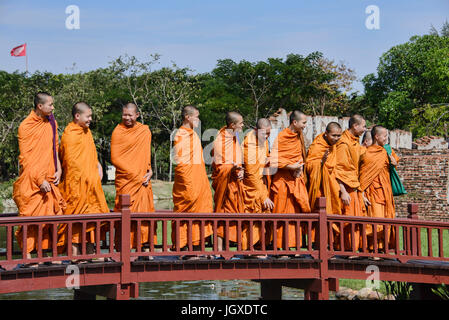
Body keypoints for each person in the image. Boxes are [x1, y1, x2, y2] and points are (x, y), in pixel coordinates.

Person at [13, 92, 66, 267]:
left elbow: (54, 148)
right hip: (31, 180)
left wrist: (58, 169)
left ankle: (48, 255)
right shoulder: (25, 126)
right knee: (30, 219)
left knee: (51, 218)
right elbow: (25, 158)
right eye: (50, 105)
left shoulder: (52, 122)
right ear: (39, 106)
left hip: (50, 178)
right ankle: (28, 257)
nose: (53, 108)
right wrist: (39, 179)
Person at [57, 102, 110, 261]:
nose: (90, 119)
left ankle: (91, 252)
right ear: (77, 116)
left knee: (93, 218)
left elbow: (90, 155)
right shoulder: (70, 134)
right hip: (76, 186)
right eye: (88, 116)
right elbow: (71, 163)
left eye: (91, 116)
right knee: (75, 218)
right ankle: (75, 255)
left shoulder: (87, 133)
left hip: (91, 186)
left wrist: (97, 165)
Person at [111, 103, 156, 257]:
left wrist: (150, 170)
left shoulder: (144, 131)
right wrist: (135, 176)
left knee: (144, 214)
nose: (127, 118)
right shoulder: (118, 131)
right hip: (127, 181)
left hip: (143, 181)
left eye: (130, 115)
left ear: (137, 115)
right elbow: (115, 158)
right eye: (124, 114)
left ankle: (144, 248)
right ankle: (126, 250)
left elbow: (145, 155)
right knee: (127, 216)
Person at [172, 106, 213, 259]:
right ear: (188, 117)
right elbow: (181, 163)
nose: (198, 120)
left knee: (200, 212)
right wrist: (189, 185)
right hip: (189, 183)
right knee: (188, 212)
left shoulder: (193, 135)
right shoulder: (181, 135)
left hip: (198, 181)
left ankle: (197, 248)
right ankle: (185, 250)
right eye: (196, 117)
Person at [269, 110, 311, 256]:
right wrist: (290, 166)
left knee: (296, 213)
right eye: (304, 122)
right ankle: (280, 247)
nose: (306, 125)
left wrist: (299, 168)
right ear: (295, 122)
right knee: (281, 213)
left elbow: (300, 155)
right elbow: (273, 159)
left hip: (295, 180)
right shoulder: (282, 137)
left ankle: (295, 246)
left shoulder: (299, 136)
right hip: (282, 181)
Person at [211, 111, 246, 253]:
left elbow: (238, 159)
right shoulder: (220, 139)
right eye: (241, 123)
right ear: (232, 125)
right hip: (225, 183)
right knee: (222, 214)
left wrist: (240, 170)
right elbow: (219, 166)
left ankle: (231, 250)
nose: (243, 126)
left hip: (235, 183)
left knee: (235, 215)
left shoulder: (235, 138)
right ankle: (219, 250)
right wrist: (232, 168)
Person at [359, 125, 396, 256]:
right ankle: (373, 250)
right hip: (372, 193)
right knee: (375, 220)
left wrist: (393, 163)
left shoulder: (385, 152)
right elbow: (362, 175)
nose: (386, 138)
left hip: (385, 192)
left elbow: (393, 163)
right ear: (376, 136)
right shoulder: (366, 153)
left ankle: (382, 249)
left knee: (386, 219)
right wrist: (361, 192)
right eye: (385, 136)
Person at [305, 122, 343, 249]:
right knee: (320, 216)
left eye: (339, 136)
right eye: (334, 135)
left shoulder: (334, 146)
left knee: (331, 215)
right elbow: (309, 166)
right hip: (319, 188)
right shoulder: (317, 146)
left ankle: (330, 245)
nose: (336, 138)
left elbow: (335, 167)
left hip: (331, 187)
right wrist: (320, 163)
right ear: (326, 133)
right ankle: (317, 246)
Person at [334, 114, 366, 253]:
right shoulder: (343, 142)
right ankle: (347, 250)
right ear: (355, 126)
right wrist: (343, 191)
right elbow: (339, 169)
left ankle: (354, 249)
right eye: (363, 126)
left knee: (356, 220)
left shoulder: (354, 141)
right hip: (346, 188)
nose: (365, 129)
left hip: (354, 186)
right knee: (348, 220)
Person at [242, 118, 274, 256]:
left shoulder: (264, 142)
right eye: (264, 134)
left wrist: (268, 159)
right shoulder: (249, 144)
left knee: (262, 216)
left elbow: (263, 159)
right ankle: (250, 250)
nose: (266, 137)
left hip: (261, 183)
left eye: (268, 134)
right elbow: (251, 173)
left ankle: (259, 247)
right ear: (256, 131)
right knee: (253, 216)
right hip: (252, 186)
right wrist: (263, 196)